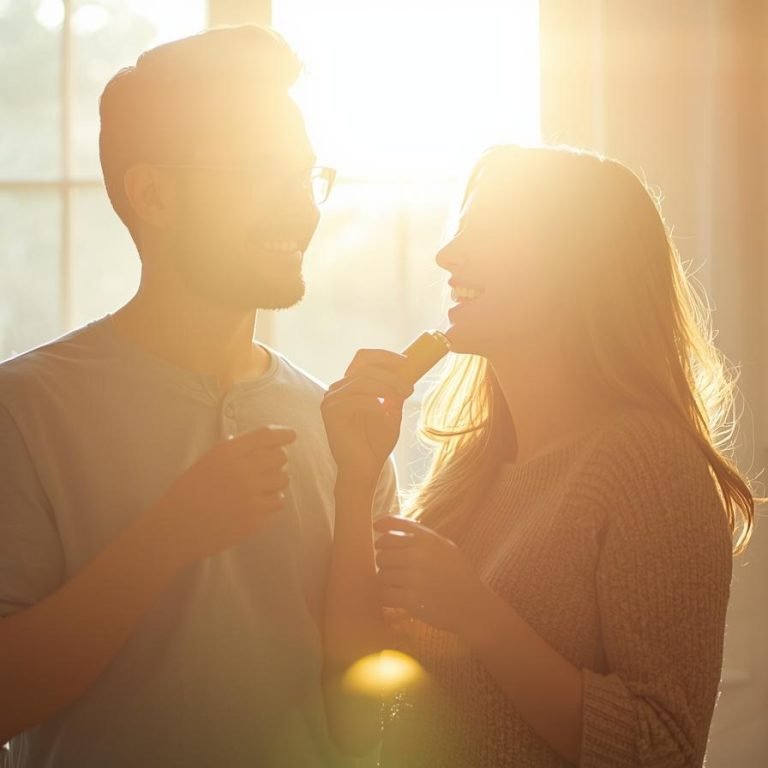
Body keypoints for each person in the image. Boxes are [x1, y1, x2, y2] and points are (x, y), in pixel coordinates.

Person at [0, 26, 394, 768]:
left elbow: (363, 729)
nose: (303, 211)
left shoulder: (337, 434)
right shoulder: (22, 413)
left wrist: (359, 493)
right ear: (154, 194)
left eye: (307, 176)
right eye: (260, 172)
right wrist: (169, 537)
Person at [321, 144, 755, 767]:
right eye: (459, 228)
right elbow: (353, 717)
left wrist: (479, 618)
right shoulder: (474, 470)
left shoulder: (650, 466)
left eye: (489, 230)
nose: (447, 255)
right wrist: (355, 481)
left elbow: (664, 751)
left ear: (578, 266)